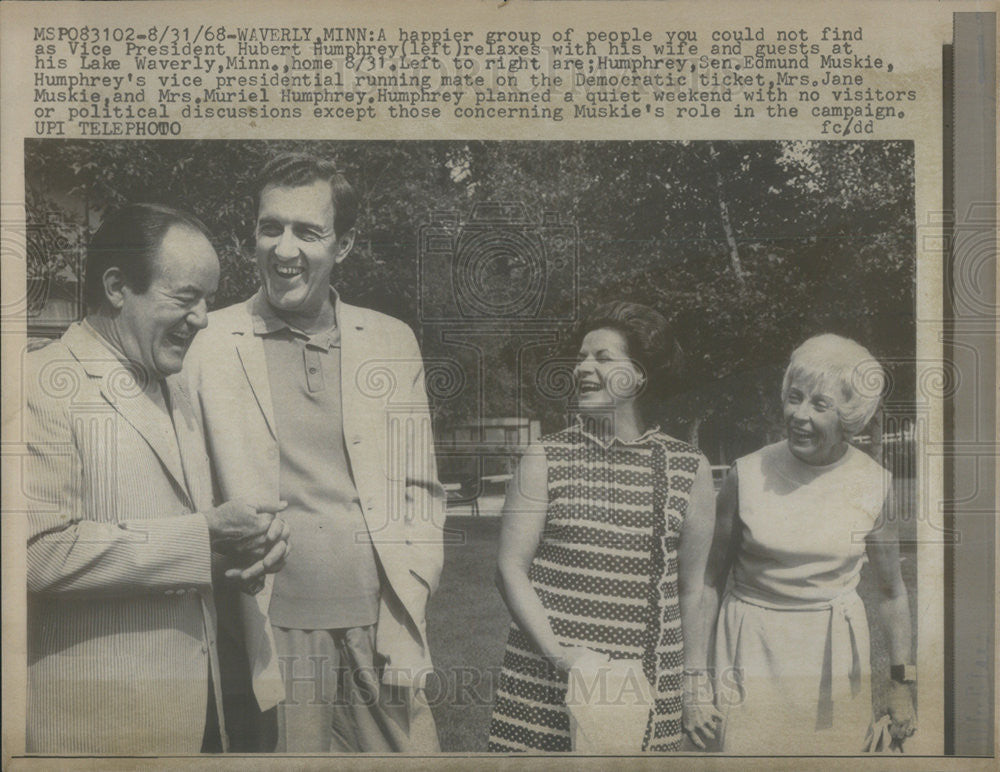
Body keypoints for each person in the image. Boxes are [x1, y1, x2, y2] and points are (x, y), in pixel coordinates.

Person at [181, 152, 445, 753]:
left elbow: (420, 492)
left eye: (308, 231)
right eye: (270, 227)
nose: (284, 249)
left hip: (380, 626)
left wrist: (411, 608)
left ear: (344, 244)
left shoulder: (391, 341)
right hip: (267, 626)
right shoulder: (207, 341)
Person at [24, 203, 289, 754]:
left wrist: (244, 550)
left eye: (210, 301)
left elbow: (189, 535)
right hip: (95, 731)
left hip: (197, 717)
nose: (203, 319)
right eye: (186, 297)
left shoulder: (178, 387)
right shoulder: (40, 382)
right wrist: (204, 536)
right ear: (118, 287)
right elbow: (35, 554)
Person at [488, 301, 721, 752]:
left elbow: (693, 588)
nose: (583, 368)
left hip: (650, 680)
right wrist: (562, 658)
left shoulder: (689, 467)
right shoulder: (545, 457)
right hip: (545, 681)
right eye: (580, 357)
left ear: (640, 376)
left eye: (602, 357)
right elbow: (509, 570)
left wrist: (695, 683)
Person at [706, 334, 917, 753]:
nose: (799, 415)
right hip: (750, 647)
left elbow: (892, 593)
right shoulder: (744, 475)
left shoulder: (874, 484)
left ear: (849, 416)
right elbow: (708, 583)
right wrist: (696, 679)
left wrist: (902, 684)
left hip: (834, 654)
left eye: (820, 405)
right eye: (795, 398)